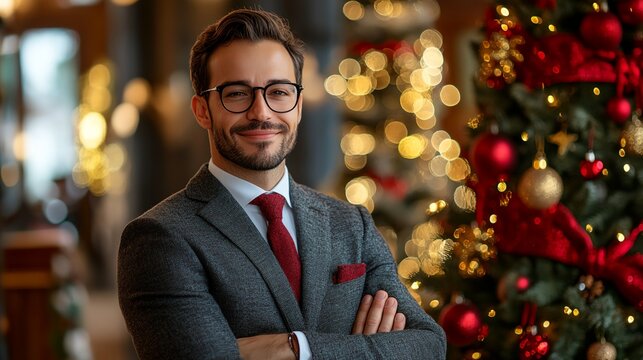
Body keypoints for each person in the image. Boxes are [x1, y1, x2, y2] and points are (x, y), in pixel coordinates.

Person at [117, 8, 446, 360]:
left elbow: (429, 345)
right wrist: (366, 351)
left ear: (299, 105)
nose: (261, 112)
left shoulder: (352, 223)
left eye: (278, 92)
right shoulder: (159, 239)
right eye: (237, 93)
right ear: (202, 110)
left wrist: (295, 348)